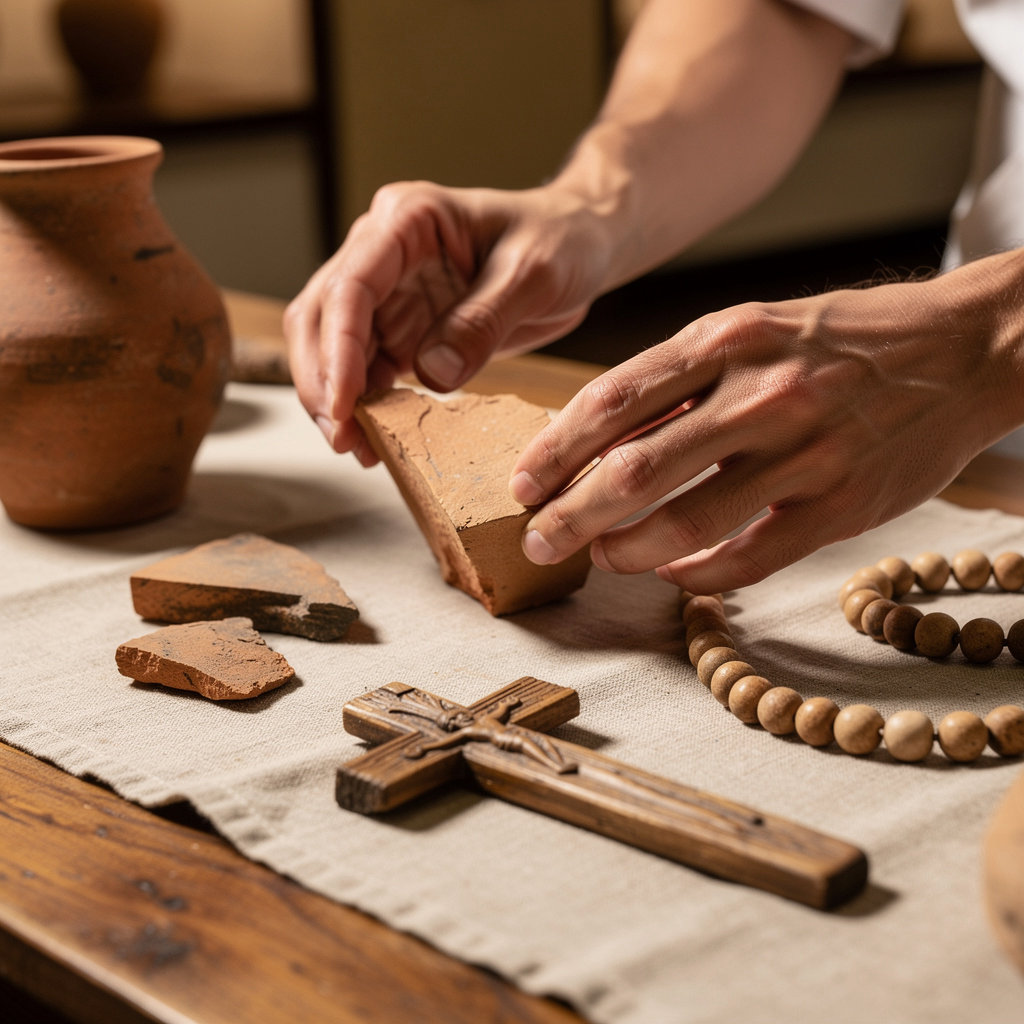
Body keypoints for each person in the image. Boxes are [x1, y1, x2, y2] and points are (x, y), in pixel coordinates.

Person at [284, 0, 1024, 596]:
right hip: (973, 453)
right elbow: (785, 10)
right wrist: (589, 207)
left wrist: (989, 336)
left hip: (957, 386)